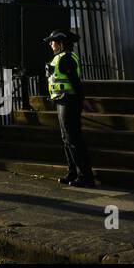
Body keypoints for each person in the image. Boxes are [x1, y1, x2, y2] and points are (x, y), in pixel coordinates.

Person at [46, 29, 95, 188]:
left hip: (70, 101)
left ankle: (85, 176)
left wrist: (82, 100)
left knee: (73, 139)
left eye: (53, 41)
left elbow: (75, 81)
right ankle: (72, 173)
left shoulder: (66, 58)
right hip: (62, 101)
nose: (50, 44)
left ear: (60, 43)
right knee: (66, 139)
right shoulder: (59, 58)